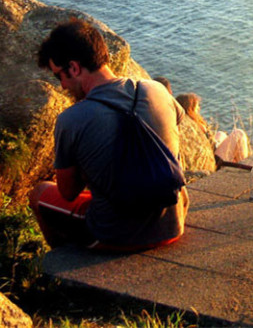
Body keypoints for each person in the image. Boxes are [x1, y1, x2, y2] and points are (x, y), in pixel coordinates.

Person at [28, 18, 189, 251]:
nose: (62, 86)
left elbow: (68, 192)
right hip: (174, 225)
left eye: (59, 76)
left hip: (115, 237)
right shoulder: (157, 90)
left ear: (74, 67)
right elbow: (175, 130)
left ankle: (61, 262)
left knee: (40, 192)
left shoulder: (71, 119)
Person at [177, 92, 251, 163]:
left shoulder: (184, 124)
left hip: (211, 151)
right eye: (197, 106)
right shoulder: (196, 126)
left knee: (221, 134)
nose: (199, 108)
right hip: (213, 160)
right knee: (239, 134)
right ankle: (243, 167)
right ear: (190, 109)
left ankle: (236, 160)